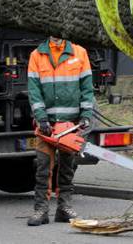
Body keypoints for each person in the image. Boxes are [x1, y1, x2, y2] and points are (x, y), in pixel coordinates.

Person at [26, 36, 95, 226]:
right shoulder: (37, 55)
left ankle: (64, 207)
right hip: (46, 126)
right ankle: (41, 210)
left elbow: (87, 89)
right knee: (42, 168)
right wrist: (41, 117)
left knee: (67, 168)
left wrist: (86, 115)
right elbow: (34, 91)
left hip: (71, 125)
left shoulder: (79, 53)